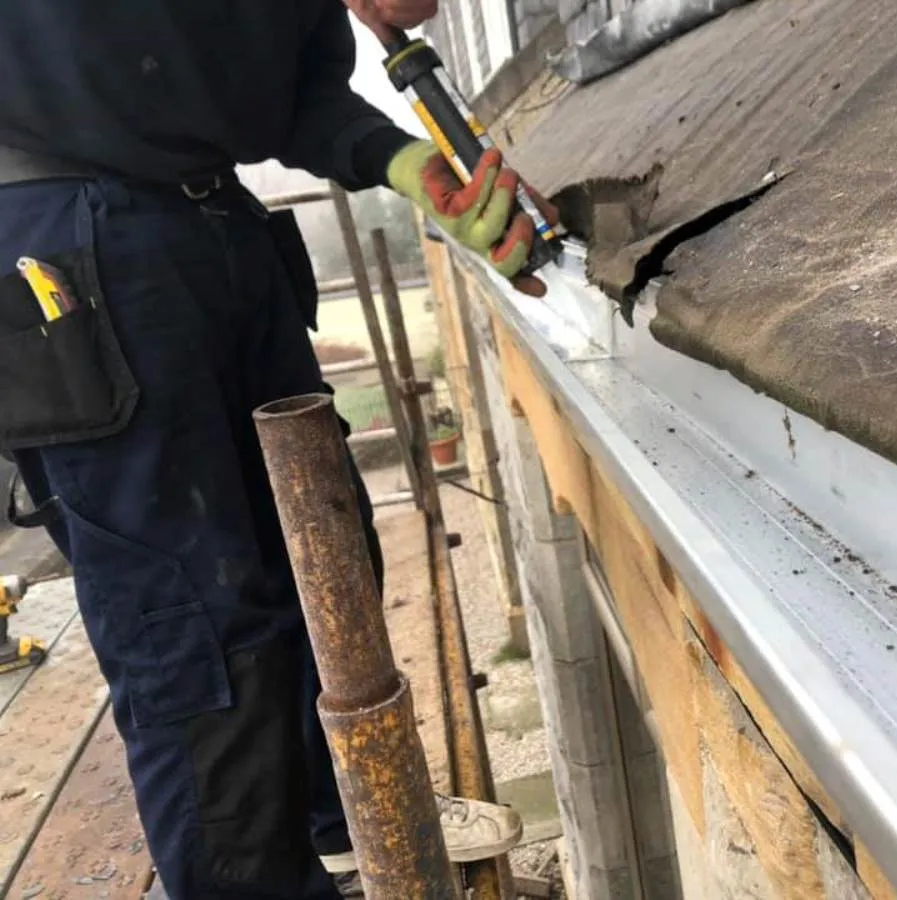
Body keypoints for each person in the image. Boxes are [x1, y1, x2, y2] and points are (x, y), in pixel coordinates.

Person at [0, 1, 557, 897]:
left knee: (325, 554)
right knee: (196, 628)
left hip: (218, 224)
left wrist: (409, 165)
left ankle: (345, 824)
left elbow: (296, 100)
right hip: (68, 238)